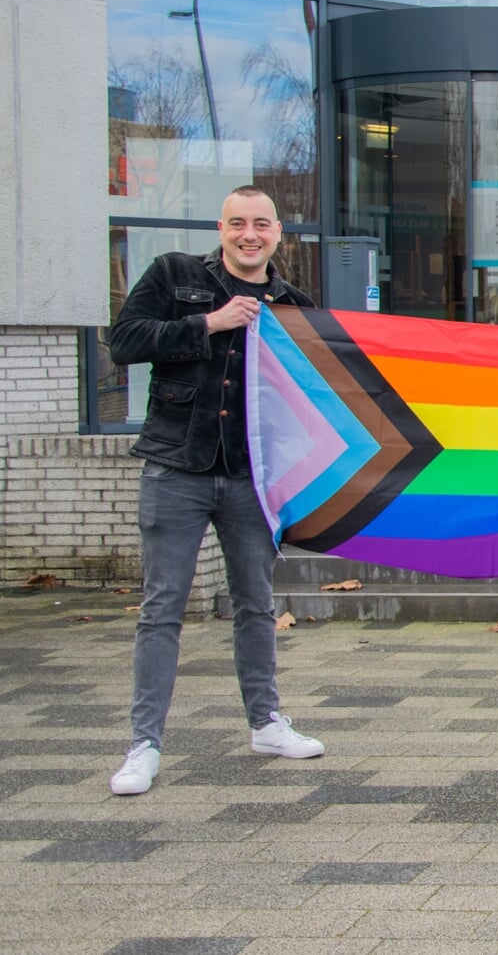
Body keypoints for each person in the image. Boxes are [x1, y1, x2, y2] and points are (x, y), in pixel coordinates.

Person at [105, 185, 326, 796]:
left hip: (253, 481)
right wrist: (208, 322)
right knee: (162, 608)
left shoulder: (294, 305)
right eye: (237, 223)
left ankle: (265, 722)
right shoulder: (173, 275)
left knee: (256, 604)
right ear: (221, 228)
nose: (249, 234)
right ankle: (144, 745)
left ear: (279, 233)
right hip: (176, 470)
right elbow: (123, 341)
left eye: (261, 224)